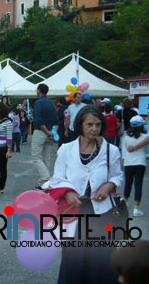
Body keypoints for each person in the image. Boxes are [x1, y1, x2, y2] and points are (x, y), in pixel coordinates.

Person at [49, 106, 123, 283]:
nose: (94, 129)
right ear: (80, 125)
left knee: (102, 257)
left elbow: (118, 176)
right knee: (73, 257)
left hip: (102, 211)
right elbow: (57, 178)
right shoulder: (66, 149)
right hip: (73, 212)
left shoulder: (111, 150)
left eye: (98, 125)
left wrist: (109, 185)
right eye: (89, 124)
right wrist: (67, 192)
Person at [31, 84, 59, 187]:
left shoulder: (38, 103)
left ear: (39, 90)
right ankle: (45, 184)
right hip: (51, 132)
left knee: (36, 157)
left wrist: (47, 132)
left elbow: (39, 119)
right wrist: (52, 133)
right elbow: (57, 120)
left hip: (41, 132)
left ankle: (46, 178)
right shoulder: (52, 103)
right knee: (47, 158)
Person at [122, 116, 149, 217]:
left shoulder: (125, 135)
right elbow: (147, 150)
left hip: (128, 162)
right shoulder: (145, 136)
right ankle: (136, 209)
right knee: (138, 185)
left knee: (128, 183)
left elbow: (125, 148)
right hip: (140, 162)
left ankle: (125, 203)